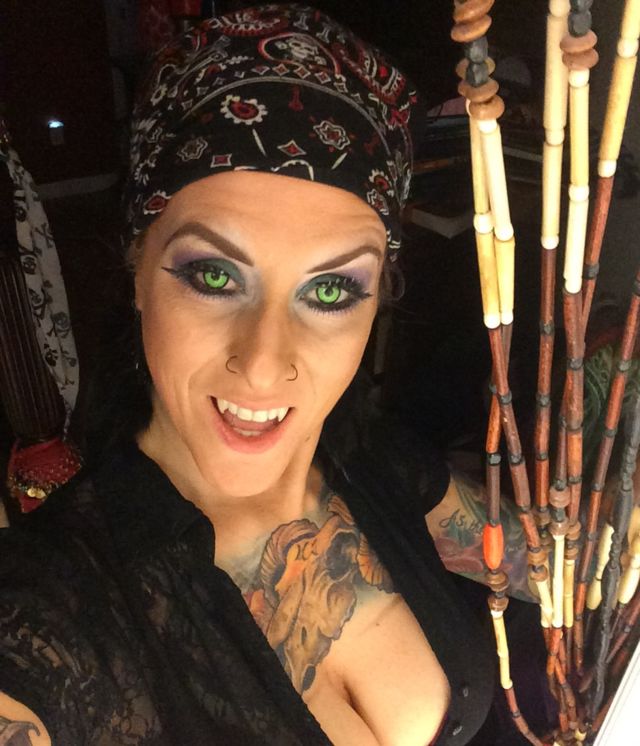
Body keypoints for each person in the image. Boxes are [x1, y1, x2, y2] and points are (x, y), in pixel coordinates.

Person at [0, 5, 535, 744]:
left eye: (330, 290)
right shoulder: (55, 609)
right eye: (214, 277)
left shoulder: (377, 461)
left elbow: (554, 567)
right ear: (136, 269)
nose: (262, 364)